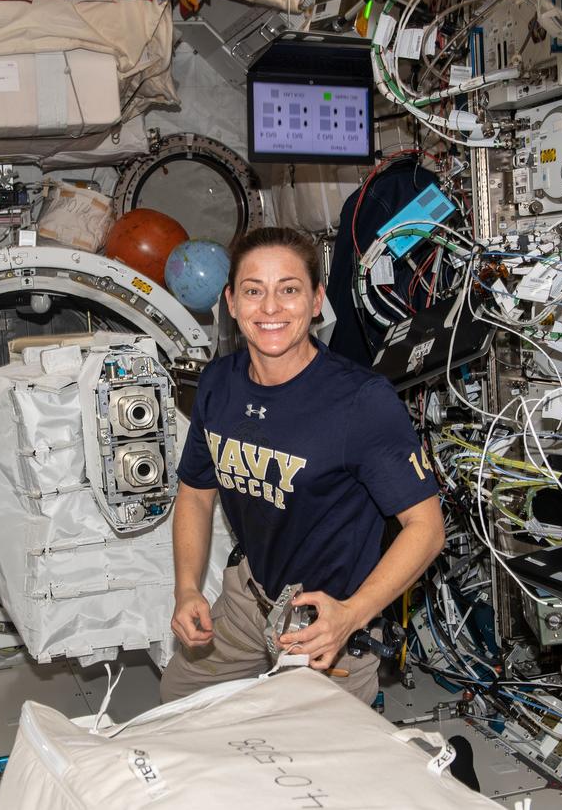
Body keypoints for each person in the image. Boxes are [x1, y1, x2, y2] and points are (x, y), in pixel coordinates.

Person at [159, 227, 445, 705]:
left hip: (327, 622)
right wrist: (187, 590)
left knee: (312, 769)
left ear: (316, 302)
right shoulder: (218, 384)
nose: (270, 308)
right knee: (178, 708)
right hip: (249, 599)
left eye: (288, 289)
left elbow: (426, 527)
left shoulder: (359, 401)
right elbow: (195, 491)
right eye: (254, 291)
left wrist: (353, 615)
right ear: (231, 302)